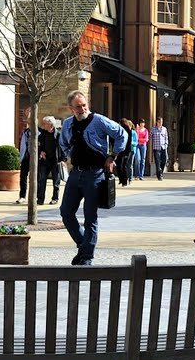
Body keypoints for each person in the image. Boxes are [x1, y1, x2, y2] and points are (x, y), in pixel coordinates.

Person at [58, 90, 128, 266]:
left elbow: (122, 134)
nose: (82, 109)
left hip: (95, 174)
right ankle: (84, 247)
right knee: (66, 212)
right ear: (71, 108)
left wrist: (112, 156)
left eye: (84, 105)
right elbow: (63, 143)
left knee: (91, 217)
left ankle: (87, 257)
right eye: (78, 107)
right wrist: (69, 155)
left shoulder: (99, 120)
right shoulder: (68, 124)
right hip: (76, 173)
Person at [36, 115, 62, 205]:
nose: (43, 125)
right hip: (45, 161)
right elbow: (38, 145)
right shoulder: (42, 135)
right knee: (42, 180)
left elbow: (62, 148)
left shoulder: (58, 135)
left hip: (55, 161)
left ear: (50, 124)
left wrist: (63, 160)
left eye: (45, 124)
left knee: (56, 182)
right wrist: (41, 152)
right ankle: (40, 199)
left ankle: (55, 198)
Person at [149, 116, 169, 181]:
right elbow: (149, 137)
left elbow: (166, 137)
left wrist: (166, 145)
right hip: (156, 148)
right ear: (156, 122)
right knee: (157, 162)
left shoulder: (164, 129)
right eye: (159, 122)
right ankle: (159, 176)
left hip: (163, 147)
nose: (160, 123)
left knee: (164, 160)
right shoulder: (153, 129)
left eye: (161, 122)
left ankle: (161, 171)